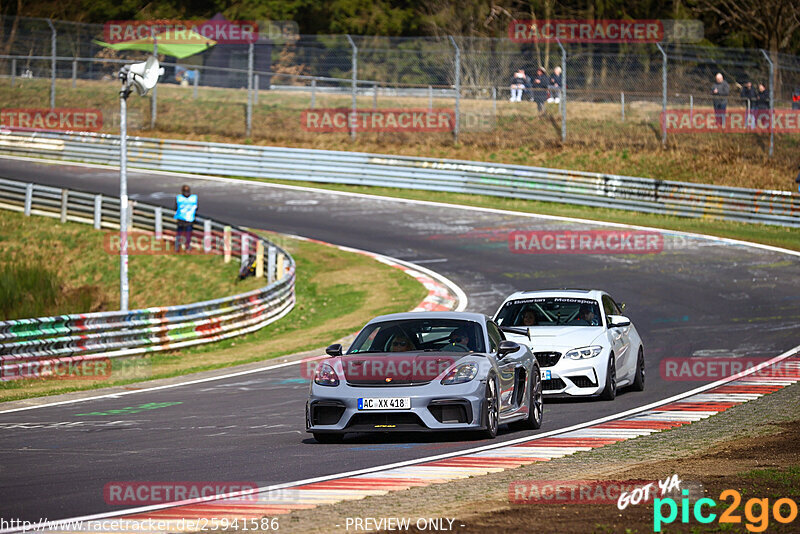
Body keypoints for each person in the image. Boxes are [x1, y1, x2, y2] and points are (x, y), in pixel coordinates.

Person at [174, 184, 198, 252]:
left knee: (179, 233)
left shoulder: (179, 198)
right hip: (189, 219)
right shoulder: (193, 198)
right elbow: (196, 207)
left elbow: (175, 208)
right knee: (188, 234)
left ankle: (177, 247)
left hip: (180, 218)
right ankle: (187, 247)